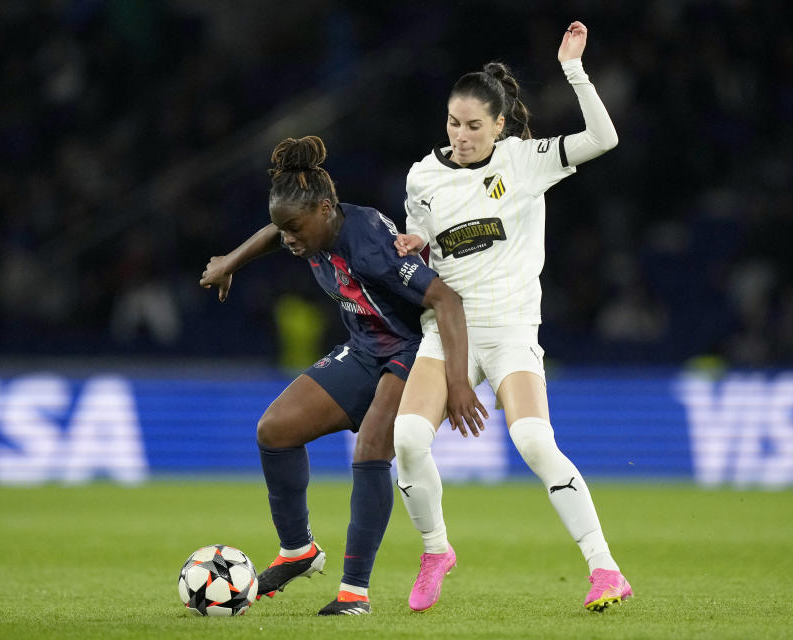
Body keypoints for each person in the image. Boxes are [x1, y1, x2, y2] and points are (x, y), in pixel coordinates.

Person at [392, 21, 633, 612]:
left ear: (499, 125)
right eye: (454, 122)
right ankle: (436, 550)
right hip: (450, 331)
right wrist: (415, 246)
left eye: (475, 125)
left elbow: (603, 138)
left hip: (511, 330)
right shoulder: (422, 177)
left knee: (531, 437)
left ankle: (605, 570)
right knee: (407, 439)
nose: (462, 134)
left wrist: (573, 71)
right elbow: (430, 247)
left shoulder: (527, 162)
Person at [199, 135, 487, 616]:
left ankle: (355, 593)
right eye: (283, 229)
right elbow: (276, 230)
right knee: (275, 431)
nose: (288, 238)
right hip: (365, 348)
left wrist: (457, 381)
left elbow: (445, 299)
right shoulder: (309, 227)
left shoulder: (371, 241)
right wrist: (231, 261)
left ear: (326, 208)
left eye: (294, 228)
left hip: (412, 349)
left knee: (372, 448)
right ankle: (299, 551)